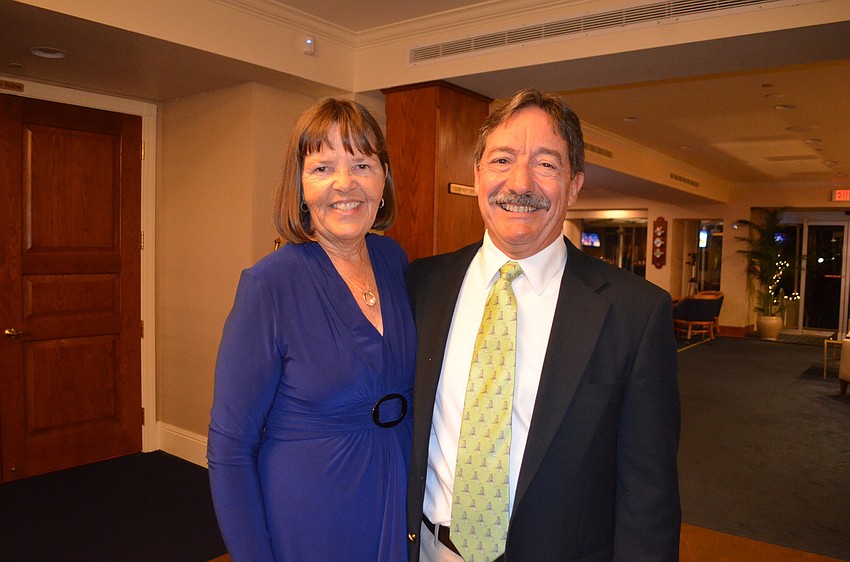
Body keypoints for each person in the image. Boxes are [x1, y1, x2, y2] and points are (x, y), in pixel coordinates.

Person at [405, 89, 681, 562]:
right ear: (476, 175)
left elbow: (648, 497)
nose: (520, 182)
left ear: (574, 185)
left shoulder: (635, 314)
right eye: (502, 160)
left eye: (546, 164)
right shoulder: (419, 285)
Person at [208, 98, 415, 561]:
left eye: (362, 164)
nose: (345, 184)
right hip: (314, 515)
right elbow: (230, 449)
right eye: (323, 168)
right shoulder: (268, 285)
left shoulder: (395, 261)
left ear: (383, 180)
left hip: (400, 496)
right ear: (300, 187)